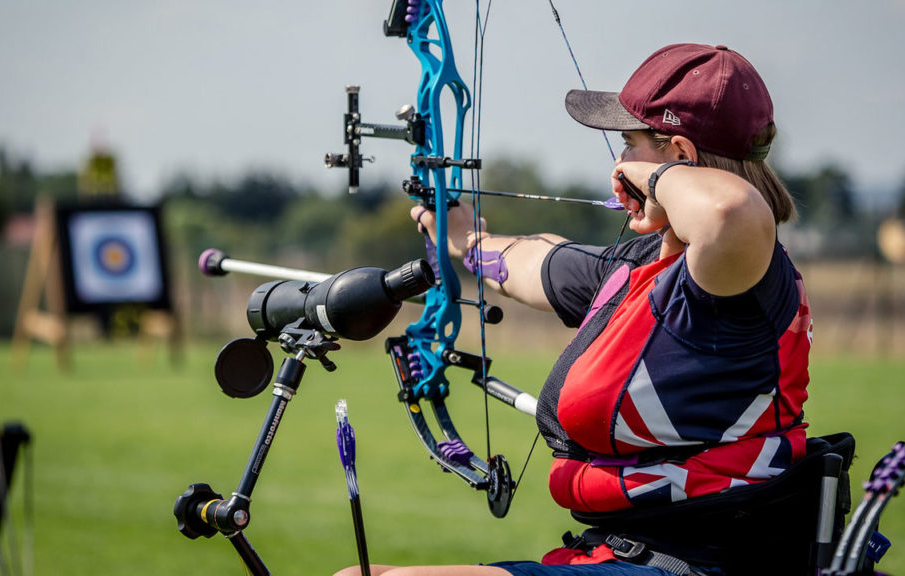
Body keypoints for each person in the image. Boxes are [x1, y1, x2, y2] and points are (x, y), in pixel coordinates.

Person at [335, 42, 811, 576]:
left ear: (679, 155)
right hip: (624, 554)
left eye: (630, 146)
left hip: (696, 563)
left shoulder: (742, 276)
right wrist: (466, 237)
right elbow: (535, 262)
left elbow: (729, 212)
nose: (619, 163)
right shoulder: (637, 267)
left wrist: (654, 178)